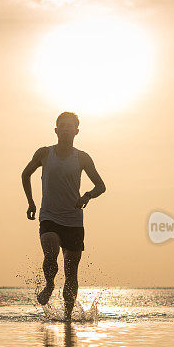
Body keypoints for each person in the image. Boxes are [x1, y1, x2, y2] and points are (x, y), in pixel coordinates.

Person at [21, 112, 106, 320]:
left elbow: (101, 186)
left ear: (76, 131)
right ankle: (50, 284)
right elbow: (25, 174)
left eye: (70, 126)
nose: (66, 129)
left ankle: (68, 317)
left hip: (73, 220)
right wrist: (31, 202)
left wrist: (87, 195)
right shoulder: (44, 153)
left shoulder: (82, 157)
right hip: (49, 216)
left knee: (71, 271)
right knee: (50, 250)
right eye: (62, 126)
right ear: (56, 130)